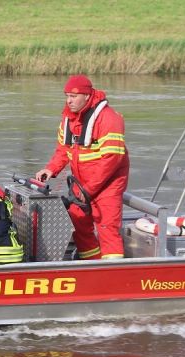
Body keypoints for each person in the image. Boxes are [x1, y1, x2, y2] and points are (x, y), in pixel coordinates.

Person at [35, 75, 129, 260]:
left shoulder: (108, 119)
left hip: (108, 185)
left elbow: (112, 160)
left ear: (87, 96)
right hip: (82, 183)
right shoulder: (68, 119)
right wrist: (51, 169)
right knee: (78, 223)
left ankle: (112, 275)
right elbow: (64, 149)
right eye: (67, 96)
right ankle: (91, 264)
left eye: (73, 96)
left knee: (107, 227)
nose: (69, 101)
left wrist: (88, 190)